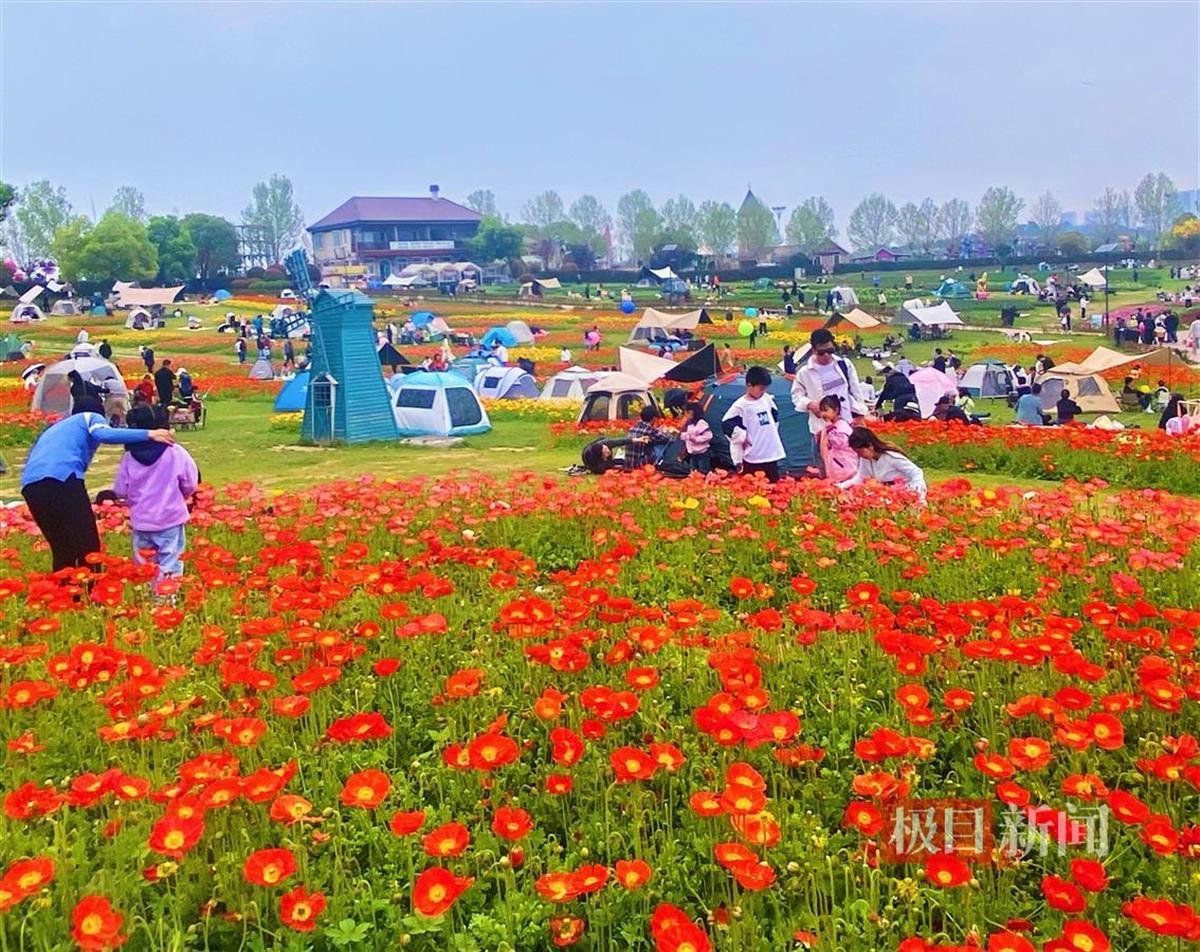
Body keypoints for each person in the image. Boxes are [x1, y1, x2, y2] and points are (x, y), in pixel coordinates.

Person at [20, 399, 173, 572]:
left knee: (62, 547)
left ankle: (65, 588)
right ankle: (93, 586)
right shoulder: (90, 417)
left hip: (31, 486)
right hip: (62, 478)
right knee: (88, 545)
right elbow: (104, 434)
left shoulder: (57, 428)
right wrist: (149, 434)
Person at [112, 404, 200, 586]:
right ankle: (165, 598)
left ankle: (146, 596)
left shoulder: (129, 457)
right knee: (170, 563)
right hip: (170, 518)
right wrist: (180, 495)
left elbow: (120, 490)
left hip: (141, 521)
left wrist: (132, 500)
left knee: (144, 567)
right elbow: (190, 483)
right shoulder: (175, 452)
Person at [791, 328, 866, 476]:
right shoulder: (805, 372)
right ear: (813, 350)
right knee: (827, 469)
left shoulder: (844, 364)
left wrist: (860, 414)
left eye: (830, 351)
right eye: (821, 352)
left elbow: (855, 391)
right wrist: (809, 404)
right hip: (822, 430)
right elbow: (796, 396)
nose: (826, 355)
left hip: (847, 426)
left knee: (853, 468)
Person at [723, 366, 786, 482]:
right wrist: (742, 436)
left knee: (774, 483)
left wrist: (771, 433)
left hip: (770, 450)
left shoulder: (767, 399)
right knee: (753, 484)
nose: (763, 392)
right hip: (753, 453)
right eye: (761, 389)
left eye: (765, 389)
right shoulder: (740, 406)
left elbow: (774, 416)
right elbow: (727, 424)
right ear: (749, 385)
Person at [837, 427, 927, 504]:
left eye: (860, 451)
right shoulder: (865, 459)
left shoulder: (891, 457)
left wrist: (915, 489)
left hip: (908, 493)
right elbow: (860, 478)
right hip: (889, 495)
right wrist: (840, 486)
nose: (859, 455)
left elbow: (916, 472)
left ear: (870, 446)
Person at [816, 395, 857, 482]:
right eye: (821, 411)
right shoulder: (830, 426)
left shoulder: (842, 426)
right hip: (835, 467)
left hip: (845, 468)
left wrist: (830, 431)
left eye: (825, 410)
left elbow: (840, 443)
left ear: (836, 410)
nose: (823, 414)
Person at [626, 406, 672, 470]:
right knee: (663, 444)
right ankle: (663, 463)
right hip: (642, 465)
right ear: (654, 418)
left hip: (629, 464)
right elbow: (668, 439)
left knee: (653, 441)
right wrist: (665, 431)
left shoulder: (632, 428)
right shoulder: (650, 430)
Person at [680, 401, 713, 474]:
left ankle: (705, 477)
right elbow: (685, 433)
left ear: (693, 412)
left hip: (702, 452)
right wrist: (683, 436)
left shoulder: (701, 423)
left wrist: (695, 439)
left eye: (687, 413)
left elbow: (708, 436)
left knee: (703, 469)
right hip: (693, 452)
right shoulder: (689, 423)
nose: (685, 415)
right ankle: (695, 478)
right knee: (694, 469)